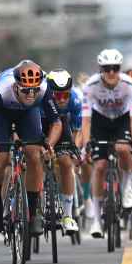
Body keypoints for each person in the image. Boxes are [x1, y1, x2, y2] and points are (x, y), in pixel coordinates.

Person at [0, 60, 62, 237]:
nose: (31, 94)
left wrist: (49, 145)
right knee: (1, 161)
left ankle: (33, 210)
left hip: (29, 114)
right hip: (3, 113)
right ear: (16, 86)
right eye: (25, 90)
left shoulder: (44, 89)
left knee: (34, 154)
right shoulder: (1, 91)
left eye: (34, 90)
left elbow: (56, 122)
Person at [79, 50, 132, 238]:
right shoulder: (90, 86)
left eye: (115, 68)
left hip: (122, 120)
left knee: (123, 149)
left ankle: (127, 187)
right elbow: (86, 120)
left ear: (120, 69)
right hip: (99, 121)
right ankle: (97, 220)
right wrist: (86, 144)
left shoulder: (129, 85)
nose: (112, 72)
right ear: (101, 69)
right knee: (99, 166)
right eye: (107, 69)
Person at [43, 69, 82, 233]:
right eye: (57, 96)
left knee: (66, 163)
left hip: (63, 127)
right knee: (35, 160)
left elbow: (76, 132)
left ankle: (67, 215)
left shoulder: (74, 100)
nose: (62, 100)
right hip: (41, 126)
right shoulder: (41, 98)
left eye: (65, 95)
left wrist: (74, 151)